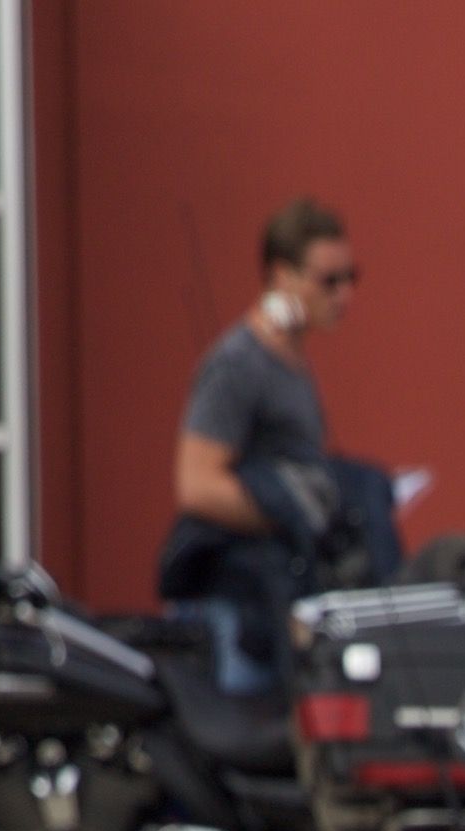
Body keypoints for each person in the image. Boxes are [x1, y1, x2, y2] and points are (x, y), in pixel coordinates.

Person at [161, 196, 401, 686]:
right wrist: (294, 508)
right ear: (281, 275)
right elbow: (196, 485)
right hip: (235, 609)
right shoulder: (239, 364)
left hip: (279, 600)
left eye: (351, 278)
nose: (343, 296)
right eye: (327, 281)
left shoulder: (292, 359)